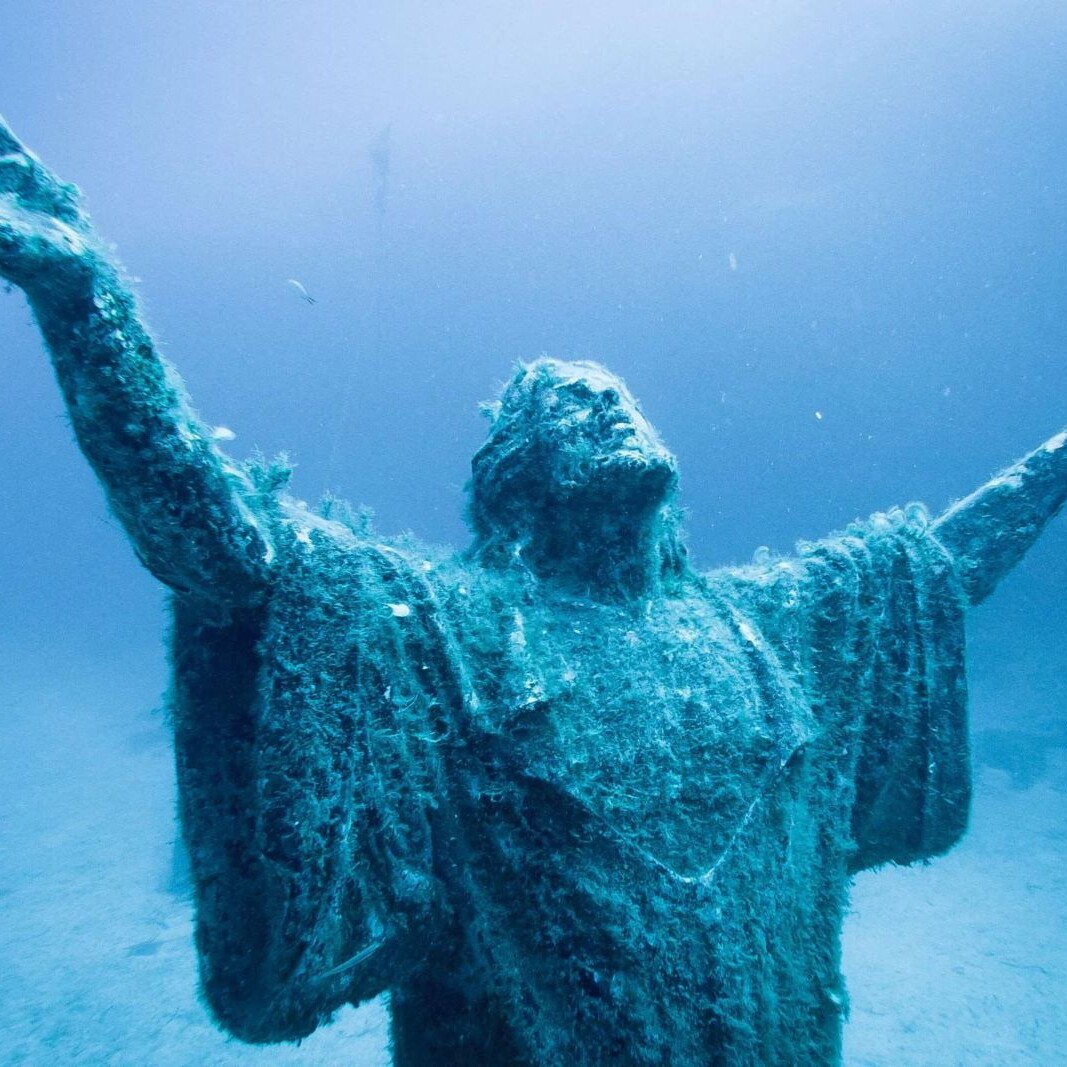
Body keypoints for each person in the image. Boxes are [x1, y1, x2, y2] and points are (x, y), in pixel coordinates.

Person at [1, 117, 1064, 1066]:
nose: (598, 395)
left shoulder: (758, 622)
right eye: (561, 401)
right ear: (512, 478)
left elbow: (929, 574)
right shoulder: (450, 633)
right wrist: (87, 305)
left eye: (612, 389)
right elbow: (229, 556)